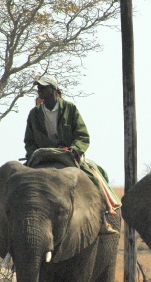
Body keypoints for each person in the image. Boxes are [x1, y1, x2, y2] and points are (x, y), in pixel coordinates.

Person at [24, 74, 118, 235]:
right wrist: (33, 153)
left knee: (93, 177)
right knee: (20, 181)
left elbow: (82, 136)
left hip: (68, 154)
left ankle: (102, 219)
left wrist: (74, 149)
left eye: (43, 87)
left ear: (54, 90)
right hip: (42, 156)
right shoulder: (34, 113)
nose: (39, 90)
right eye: (38, 87)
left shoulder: (70, 109)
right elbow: (29, 141)